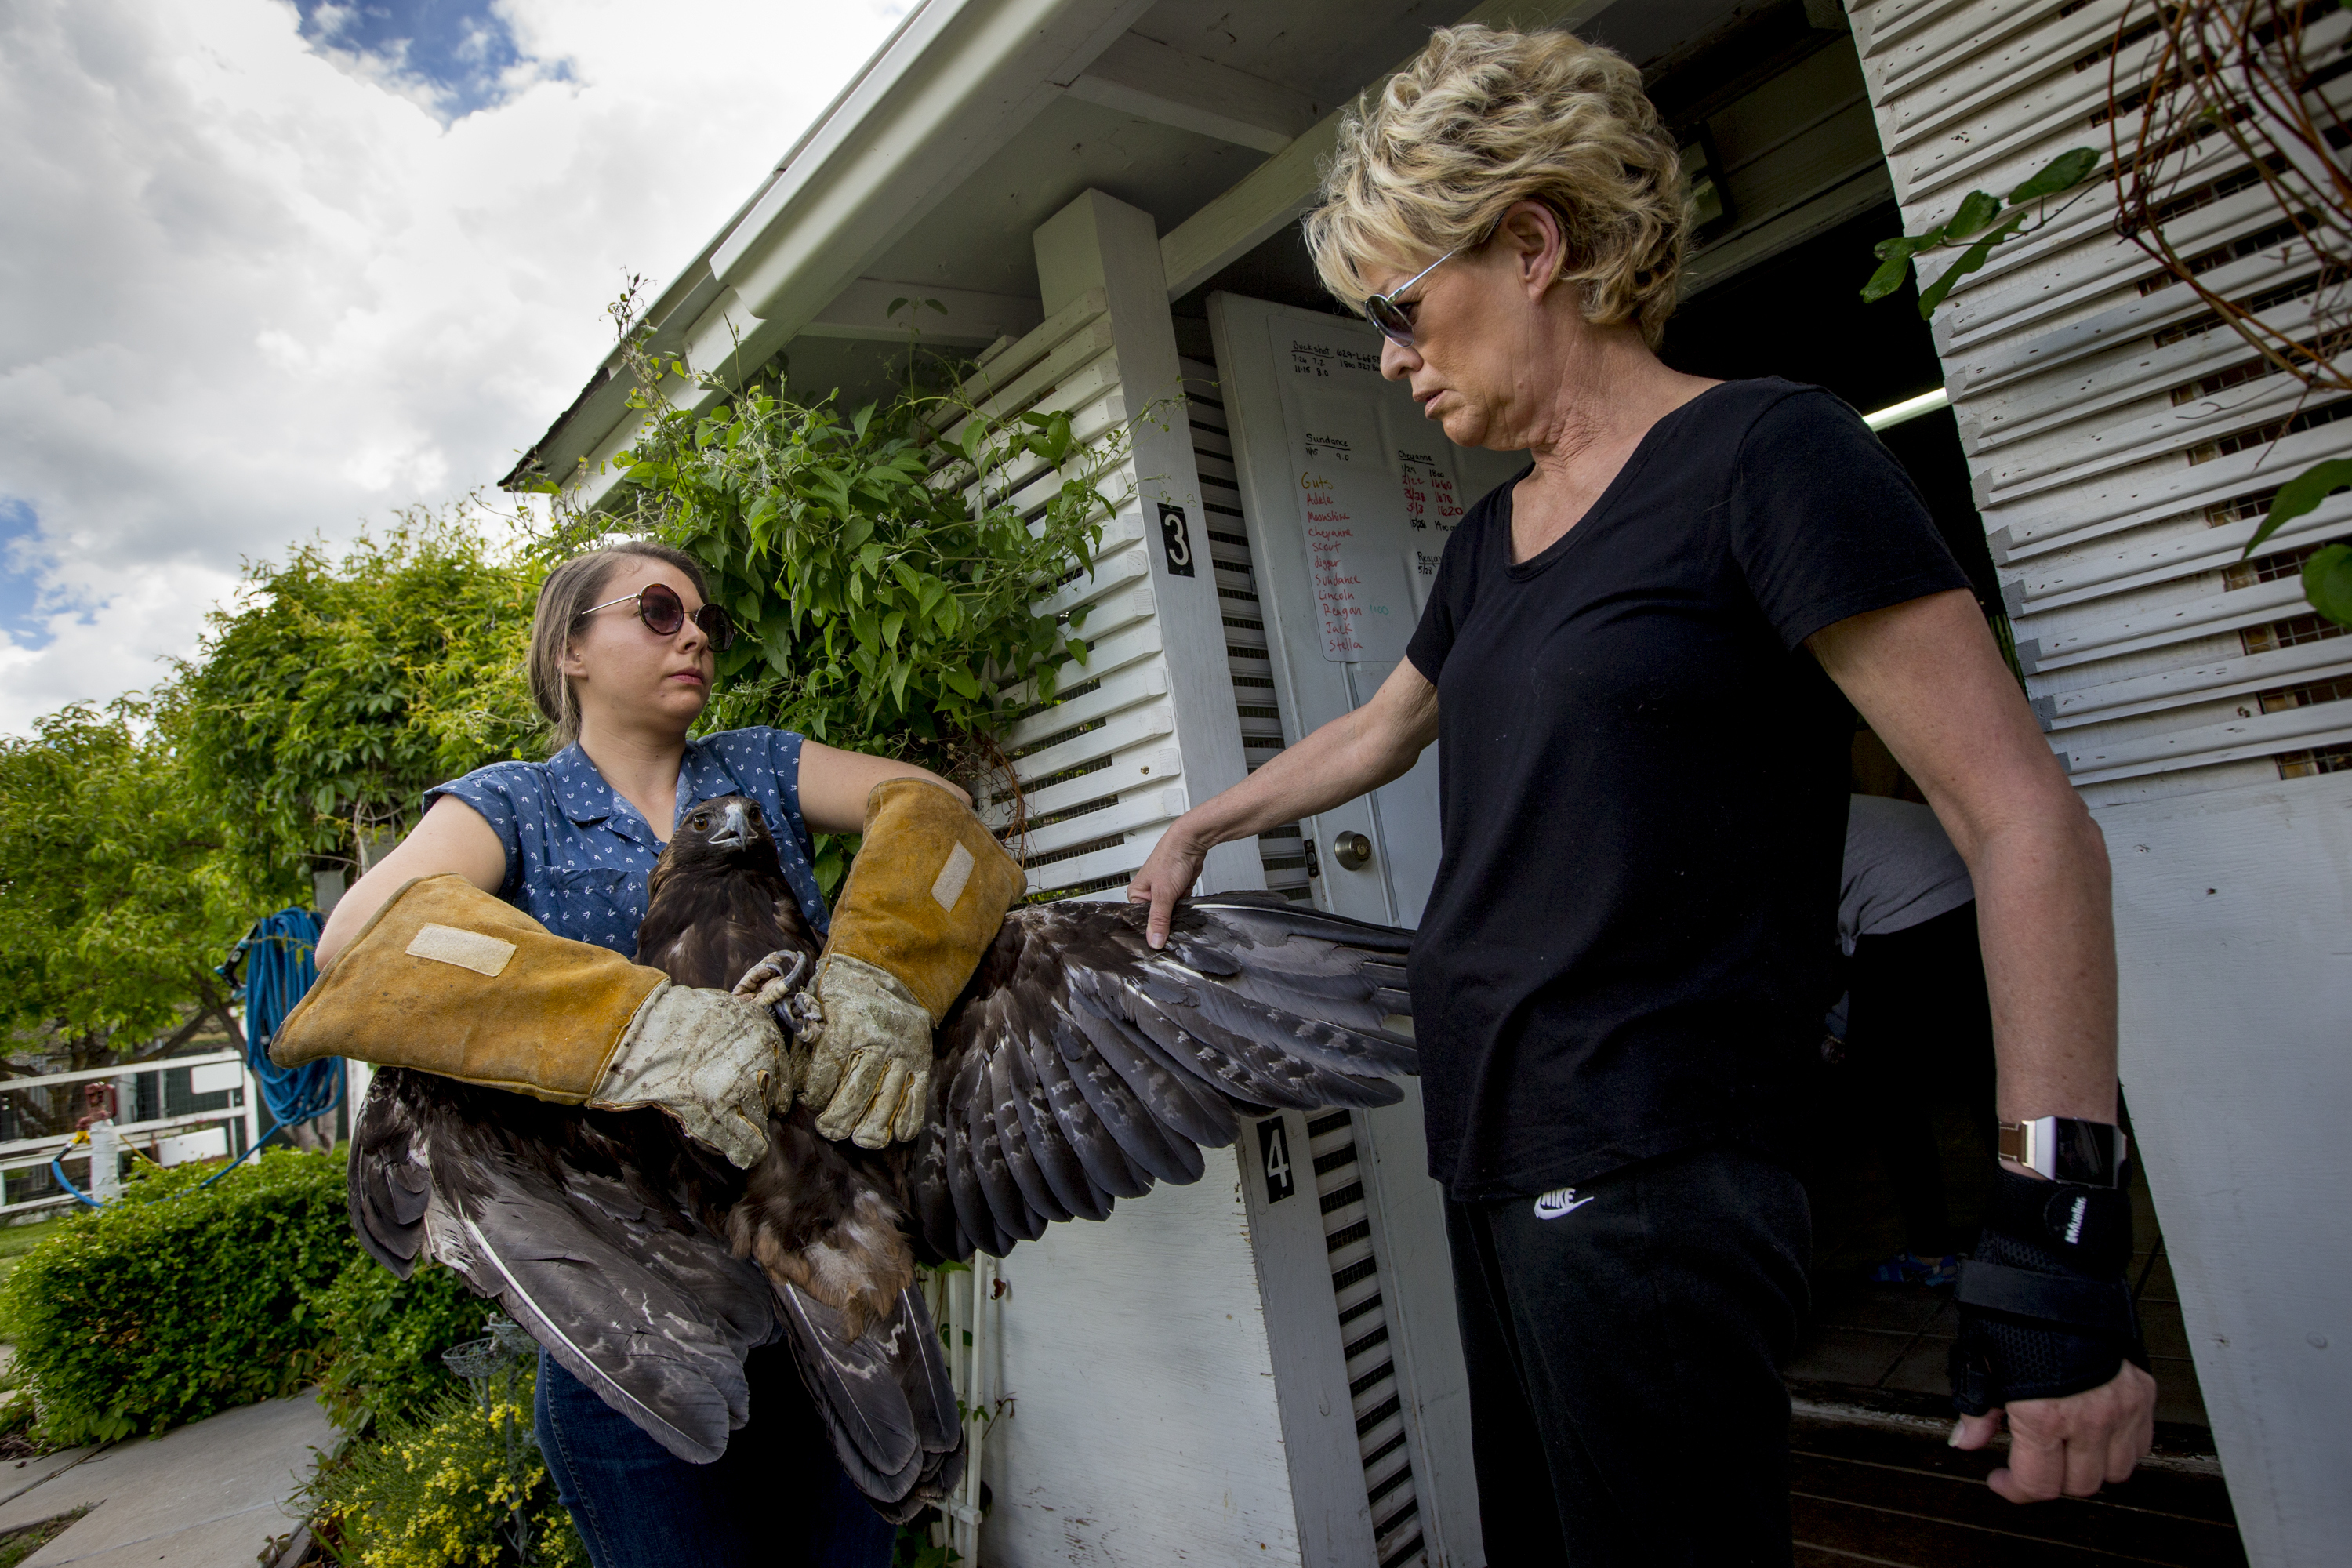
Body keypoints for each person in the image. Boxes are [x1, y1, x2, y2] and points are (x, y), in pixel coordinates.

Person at [1129, 26, 2155, 1566]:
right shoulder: (1491, 544)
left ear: (1535, 243)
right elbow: (1379, 730)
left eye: (1405, 311)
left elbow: (2021, 819)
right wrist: (1206, 822)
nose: (1392, 359)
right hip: (1494, 1141)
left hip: (1653, 1160)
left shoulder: (1766, 454)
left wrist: (2061, 1246)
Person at [307, 539, 1018, 1568]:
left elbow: (935, 811)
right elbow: (357, 945)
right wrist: (624, 1027)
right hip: (636, 1306)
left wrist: (882, 977)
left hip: (827, 1293)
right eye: (654, 611)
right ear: (572, 652)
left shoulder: (762, 769)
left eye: (703, 621)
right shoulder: (514, 807)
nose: (693, 634)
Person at [1828, 792, 1996, 1288]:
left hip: (1910, 912)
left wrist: (1836, 1036)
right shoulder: (1829, 804)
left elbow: (1811, 962)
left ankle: (1930, 1254)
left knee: (1883, 1093)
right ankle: (2038, 1235)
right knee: (1990, 1078)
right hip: (1978, 894)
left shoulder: (1758, 833)